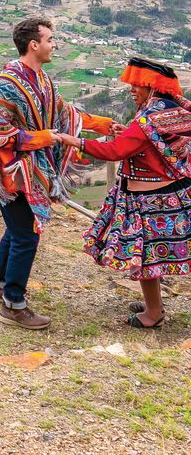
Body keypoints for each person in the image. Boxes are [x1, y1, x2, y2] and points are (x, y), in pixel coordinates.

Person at [0, 16, 119, 330]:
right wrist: (41, 138)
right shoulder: (4, 86)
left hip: (32, 171)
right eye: (50, 39)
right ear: (34, 44)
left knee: (18, 230)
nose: (54, 45)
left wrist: (103, 125)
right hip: (9, 173)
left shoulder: (44, 82)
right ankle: (13, 304)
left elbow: (65, 114)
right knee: (26, 234)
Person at [53, 58, 191, 328]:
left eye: (137, 85)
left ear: (152, 87)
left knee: (147, 258)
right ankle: (154, 305)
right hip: (172, 194)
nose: (131, 90)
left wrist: (74, 140)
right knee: (154, 256)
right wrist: (125, 132)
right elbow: (143, 143)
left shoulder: (148, 118)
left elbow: (114, 152)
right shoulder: (170, 109)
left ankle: (153, 314)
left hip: (149, 202)